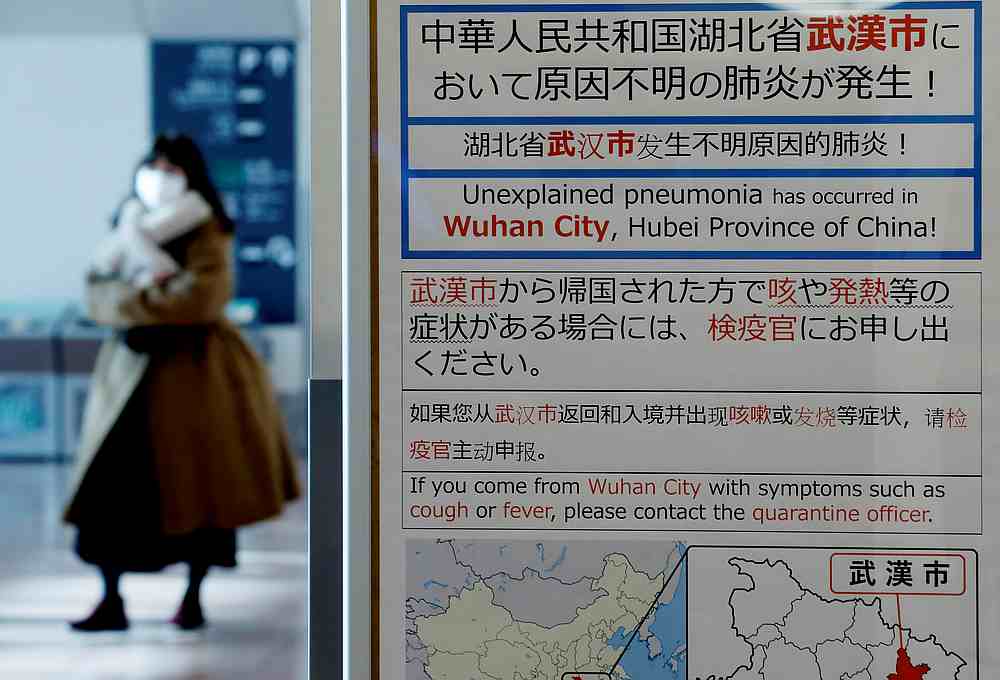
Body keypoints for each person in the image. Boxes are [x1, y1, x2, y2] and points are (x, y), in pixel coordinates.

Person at [63, 134, 301, 632]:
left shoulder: (206, 228)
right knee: (110, 490)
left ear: (191, 175)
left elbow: (201, 299)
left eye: (172, 168)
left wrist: (131, 300)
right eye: (154, 165)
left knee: (198, 487)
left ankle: (193, 597)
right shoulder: (126, 224)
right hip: (127, 373)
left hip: (196, 377)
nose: (160, 176)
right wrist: (147, 295)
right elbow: (93, 292)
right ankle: (111, 598)